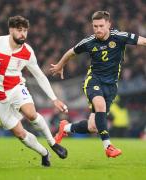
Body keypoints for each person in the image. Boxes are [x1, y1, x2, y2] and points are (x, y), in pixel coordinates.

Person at [0, 15, 69, 167]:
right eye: (19, 30)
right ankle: (44, 153)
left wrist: (54, 99)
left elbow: (39, 75)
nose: (23, 34)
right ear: (11, 30)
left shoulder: (27, 52)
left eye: (25, 31)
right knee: (20, 134)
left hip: (16, 88)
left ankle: (53, 143)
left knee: (31, 113)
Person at [50, 11, 146, 158]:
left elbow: (143, 41)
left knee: (93, 126)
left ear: (109, 24)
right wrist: (60, 65)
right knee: (100, 105)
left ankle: (66, 127)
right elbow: (71, 52)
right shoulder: (89, 41)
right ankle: (108, 147)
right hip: (93, 80)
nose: (98, 29)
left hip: (111, 85)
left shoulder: (120, 37)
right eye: (95, 26)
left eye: (101, 26)